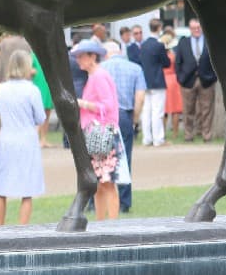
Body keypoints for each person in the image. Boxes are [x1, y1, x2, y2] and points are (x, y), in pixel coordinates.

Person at [71, 39, 125, 220]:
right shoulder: (95, 76)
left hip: (102, 134)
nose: (78, 60)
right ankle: (102, 221)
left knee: (107, 182)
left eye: (81, 56)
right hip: (98, 134)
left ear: (92, 56)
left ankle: (111, 223)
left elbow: (107, 105)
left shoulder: (99, 76)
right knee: (100, 182)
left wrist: (82, 103)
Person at [0, 49, 46, 225]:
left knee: (1, 189)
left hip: (6, 139)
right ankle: (22, 229)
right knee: (27, 189)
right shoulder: (32, 90)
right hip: (26, 139)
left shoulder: (1, 89)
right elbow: (40, 118)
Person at [101, 41, 145, 213]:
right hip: (124, 114)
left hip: (104, 115)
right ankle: (124, 202)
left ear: (107, 53)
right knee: (125, 159)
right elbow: (140, 97)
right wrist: (134, 119)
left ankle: (98, 199)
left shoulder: (100, 69)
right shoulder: (135, 68)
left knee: (101, 158)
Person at [174, 18, 217, 142]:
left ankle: (207, 135)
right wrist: (180, 77)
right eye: (194, 28)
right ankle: (188, 135)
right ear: (190, 29)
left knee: (207, 110)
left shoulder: (209, 42)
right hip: (187, 81)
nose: (196, 30)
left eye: (198, 27)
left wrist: (214, 77)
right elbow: (178, 62)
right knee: (188, 110)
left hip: (207, 80)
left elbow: (216, 61)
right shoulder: (183, 43)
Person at [139, 18, 171, 147]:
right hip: (157, 80)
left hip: (145, 81)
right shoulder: (159, 44)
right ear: (159, 28)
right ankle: (158, 139)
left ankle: (147, 139)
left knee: (146, 111)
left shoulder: (144, 44)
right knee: (157, 112)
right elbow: (166, 63)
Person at [160, 28, 183, 138]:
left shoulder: (161, 55)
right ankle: (175, 133)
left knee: (163, 109)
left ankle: (162, 132)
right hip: (174, 80)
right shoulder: (173, 54)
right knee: (175, 109)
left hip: (163, 79)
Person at [31, 54, 56, 147]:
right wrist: (34, 71)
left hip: (48, 84)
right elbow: (27, 69)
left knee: (47, 111)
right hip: (38, 84)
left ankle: (43, 139)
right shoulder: (33, 55)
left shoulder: (49, 55)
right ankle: (34, 138)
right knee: (38, 112)